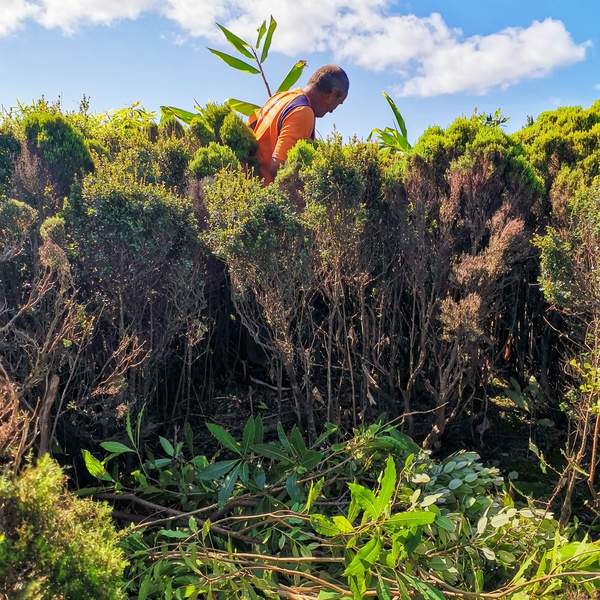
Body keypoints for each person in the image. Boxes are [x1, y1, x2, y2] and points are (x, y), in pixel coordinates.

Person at [248, 65, 349, 185]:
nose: (332, 110)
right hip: (265, 192)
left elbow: (248, 130)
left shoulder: (282, 97)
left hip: (247, 183)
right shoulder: (303, 112)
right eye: (338, 103)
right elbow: (278, 166)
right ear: (332, 94)